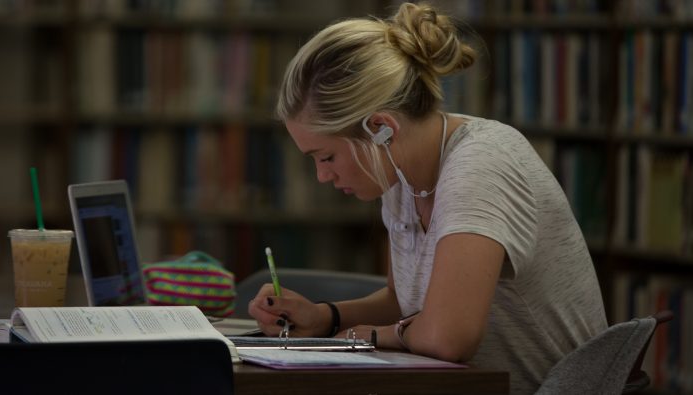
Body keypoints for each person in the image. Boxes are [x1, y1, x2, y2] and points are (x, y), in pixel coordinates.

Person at [247, 2, 608, 394]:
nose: (322, 176)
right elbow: (404, 302)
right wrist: (326, 317)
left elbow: (448, 338)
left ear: (380, 128)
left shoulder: (480, 164)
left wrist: (364, 336)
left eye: (327, 156)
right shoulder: (400, 173)